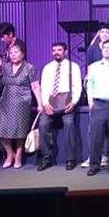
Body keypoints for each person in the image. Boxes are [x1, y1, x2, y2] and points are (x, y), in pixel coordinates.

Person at [0, 43, 42, 169]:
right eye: (11, 53)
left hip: (22, 102)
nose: (13, 55)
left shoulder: (29, 67)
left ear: (23, 53)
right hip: (6, 102)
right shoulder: (5, 67)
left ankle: (18, 156)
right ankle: (10, 154)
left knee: (20, 131)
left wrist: (40, 103)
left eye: (16, 52)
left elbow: (35, 86)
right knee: (2, 131)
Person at [37, 42, 82, 171]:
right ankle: (47, 158)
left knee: (69, 124)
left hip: (67, 102)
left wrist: (74, 102)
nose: (56, 52)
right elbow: (44, 87)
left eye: (59, 50)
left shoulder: (73, 67)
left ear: (65, 51)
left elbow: (77, 86)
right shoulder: (47, 68)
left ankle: (70, 159)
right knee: (43, 125)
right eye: (54, 50)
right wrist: (45, 103)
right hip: (50, 102)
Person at [85, 40, 109, 176]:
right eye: (104, 48)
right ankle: (94, 165)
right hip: (98, 104)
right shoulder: (94, 66)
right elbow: (90, 85)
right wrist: (90, 101)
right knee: (96, 137)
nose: (106, 50)